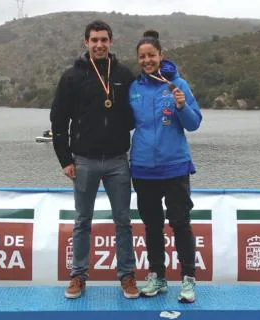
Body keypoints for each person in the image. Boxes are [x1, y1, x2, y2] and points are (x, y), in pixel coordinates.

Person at [50, 20, 138, 299]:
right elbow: (58, 120)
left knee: (123, 220)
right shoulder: (72, 77)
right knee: (82, 220)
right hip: (84, 160)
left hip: (117, 160)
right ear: (85, 43)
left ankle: (127, 276)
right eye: (94, 40)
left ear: (111, 42)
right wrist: (65, 159)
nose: (99, 44)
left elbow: (137, 114)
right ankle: (78, 276)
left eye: (104, 39)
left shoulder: (124, 74)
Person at [129, 30, 202, 303]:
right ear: (139, 60)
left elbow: (194, 123)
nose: (147, 60)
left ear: (161, 56)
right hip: (143, 169)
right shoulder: (134, 88)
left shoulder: (178, 84)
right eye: (142, 57)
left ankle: (188, 279)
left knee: (180, 223)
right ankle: (157, 277)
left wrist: (182, 106)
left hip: (175, 167)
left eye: (152, 55)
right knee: (152, 226)